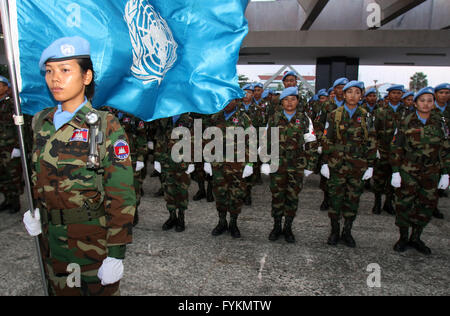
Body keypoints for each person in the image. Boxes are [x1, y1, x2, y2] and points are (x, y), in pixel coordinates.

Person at [22, 37, 136, 296]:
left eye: (65, 70)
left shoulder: (105, 125)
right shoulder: (42, 121)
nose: (55, 79)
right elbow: (37, 174)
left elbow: (122, 194)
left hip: (90, 244)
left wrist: (116, 253)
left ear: (86, 77)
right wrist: (36, 210)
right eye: (49, 71)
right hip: (50, 242)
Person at [390, 87, 449, 255]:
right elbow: (397, 147)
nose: (426, 104)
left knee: (426, 204)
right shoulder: (406, 121)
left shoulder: (440, 121)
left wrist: (445, 172)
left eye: (429, 100)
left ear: (433, 103)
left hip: (431, 170)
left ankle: (416, 237)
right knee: (404, 204)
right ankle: (402, 237)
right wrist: (395, 171)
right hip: (409, 169)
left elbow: (445, 148)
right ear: (415, 103)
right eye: (422, 100)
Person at [321, 81, 377, 248]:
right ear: (344, 95)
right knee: (335, 199)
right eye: (349, 92)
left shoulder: (366, 116)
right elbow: (326, 139)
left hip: (357, 166)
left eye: (357, 92)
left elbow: (372, 141)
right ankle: (334, 231)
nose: (353, 95)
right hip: (337, 164)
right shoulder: (334, 115)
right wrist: (324, 162)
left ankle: (347, 231)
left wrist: (371, 165)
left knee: (353, 199)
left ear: (361, 96)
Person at [261, 87, 318, 243]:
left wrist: (310, 166)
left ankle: (288, 228)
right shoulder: (274, 118)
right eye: (286, 99)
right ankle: (277, 226)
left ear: (298, 101)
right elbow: (266, 141)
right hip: (277, 165)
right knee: (277, 196)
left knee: (292, 197)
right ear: (281, 102)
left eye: (293, 99)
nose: (289, 102)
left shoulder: (305, 119)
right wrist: (265, 161)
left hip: (296, 165)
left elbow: (311, 143)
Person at [205, 99, 254, 238]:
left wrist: (250, 163)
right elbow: (207, 140)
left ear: (236, 100)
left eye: (230, 99)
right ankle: (221, 222)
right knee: (220, 193)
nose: (227, 102)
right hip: (218, 164)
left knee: (236, 195)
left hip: (237, 165)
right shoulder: (215, 117)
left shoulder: (244, 118)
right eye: (224, 98)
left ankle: (233, 223)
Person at [371, 84, 409, 215]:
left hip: (399, 152)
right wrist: (374, 148)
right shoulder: (380, 111)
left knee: (394, 177)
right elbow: (373, 131)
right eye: (394, 93)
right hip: (383, 149)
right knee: (379, 177)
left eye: (399, 93)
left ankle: (388, 202)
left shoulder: (407, 112)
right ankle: (377, 203)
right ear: (389, 95)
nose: (396, 95)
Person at [153, 113, 195, 232]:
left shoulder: (188, 120)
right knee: (168, 191)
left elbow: (193, 142)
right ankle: (172, 217)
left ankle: (181, 218)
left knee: (182, 191)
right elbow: (159, 140)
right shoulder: (164, 119)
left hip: (182, 163)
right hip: (166, 162)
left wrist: (192, 161)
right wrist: (157, 159)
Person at [119, 112, 148, 226]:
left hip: (133, 158)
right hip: (117, 158)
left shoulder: (135, 117)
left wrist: (141, 158)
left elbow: (142, 138)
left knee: (135, 186)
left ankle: (134, 211)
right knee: (119, 186)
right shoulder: (112, 115)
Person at [0, 76, 22, 214]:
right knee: (2, 176)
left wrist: (19, 147)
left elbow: (20, 127)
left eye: (0, 85)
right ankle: (7, 199)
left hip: (9, 146)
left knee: (13, 175)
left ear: (6, 87)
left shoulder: (12, 104)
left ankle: (15, 202)